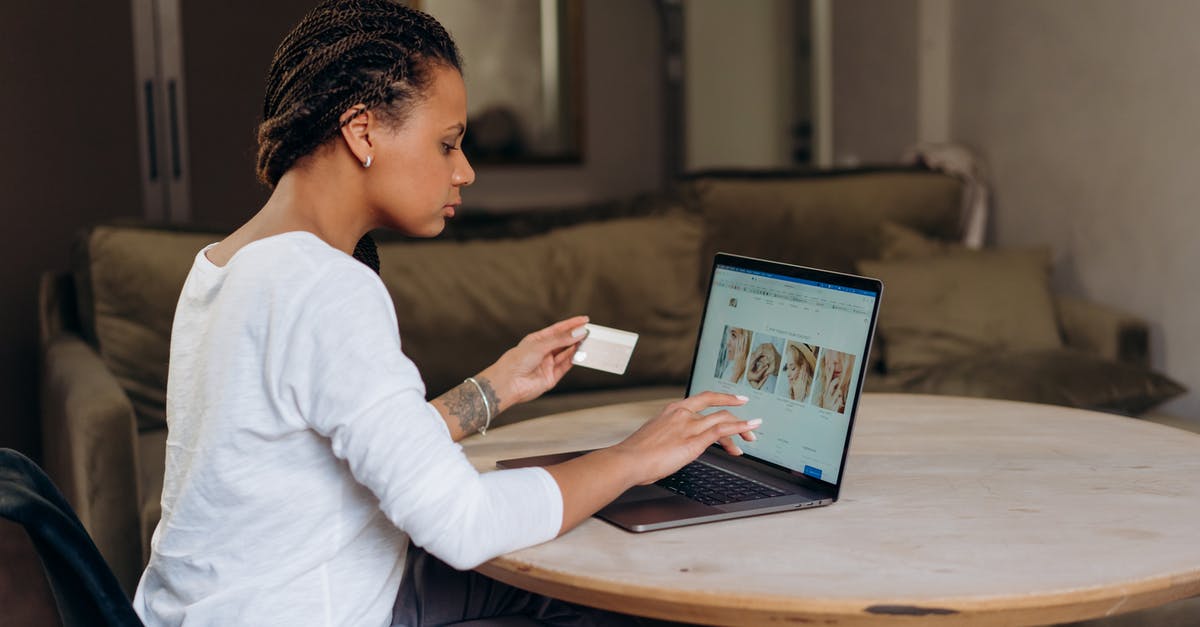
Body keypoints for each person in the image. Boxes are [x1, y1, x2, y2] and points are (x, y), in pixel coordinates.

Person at [131, 2, 760, 626]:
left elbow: (338, 450)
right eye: (447, 144)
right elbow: (464, 525)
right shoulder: (322, 286)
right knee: (626, 592)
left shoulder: (224, 263)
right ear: (363, 131)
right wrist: (638, 457)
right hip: (316, 611)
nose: (465, 171)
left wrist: (494, 390)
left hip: (221, 608)